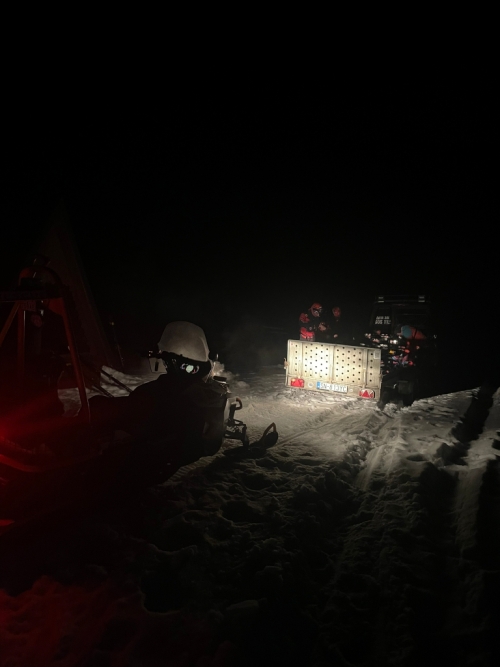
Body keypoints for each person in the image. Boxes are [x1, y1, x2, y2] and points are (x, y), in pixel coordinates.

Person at [89, 321, 228, 471]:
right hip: (172, 452)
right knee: (102, 405)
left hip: (156, 459)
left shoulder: (168, 393)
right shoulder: (186, 389)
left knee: (102, 406)